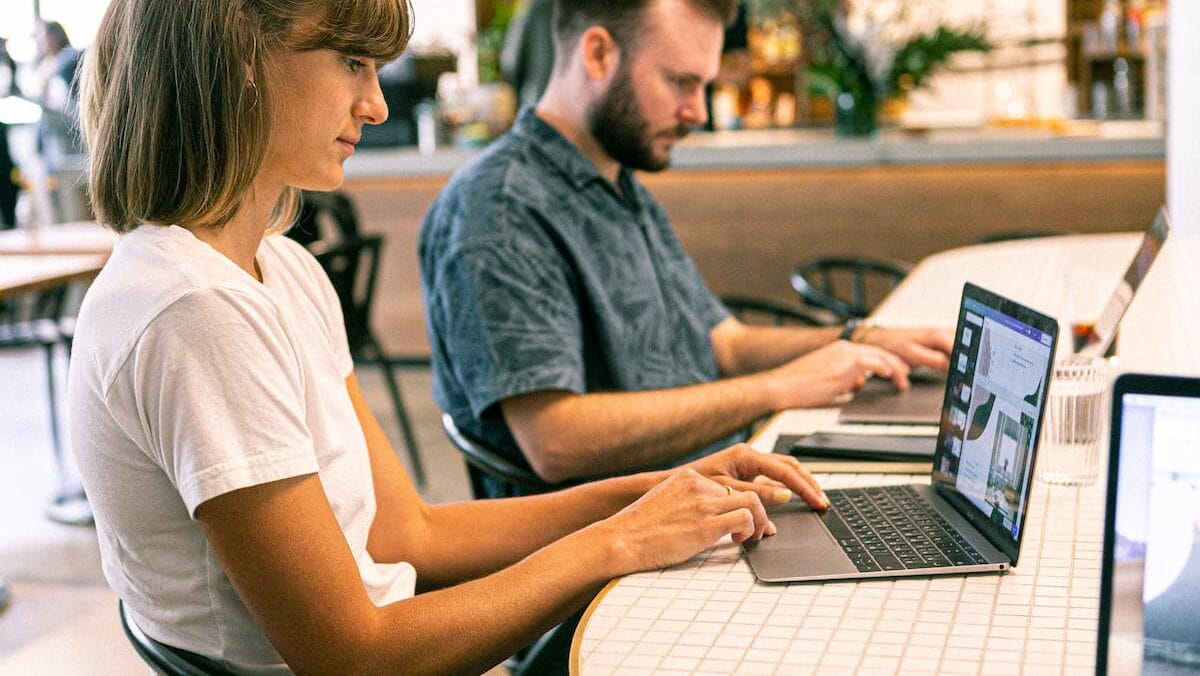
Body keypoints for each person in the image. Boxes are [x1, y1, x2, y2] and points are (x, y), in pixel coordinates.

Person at [68, 0, 829, 673]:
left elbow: (413, 535)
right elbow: (353, 655)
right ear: (241, 61)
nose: (374, 105)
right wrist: (617, 542)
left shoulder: (281, 267)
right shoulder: (192, 309)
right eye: (353, 63)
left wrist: (666, 488)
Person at [419, 0, 953, 495]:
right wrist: (776, 389)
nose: (698, 112)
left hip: (715, 486)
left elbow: (725, 344)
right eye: (680, 83)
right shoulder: (501, 210)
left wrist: (860, 339)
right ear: (599, 54)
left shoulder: (619, 186)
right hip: (613, 553)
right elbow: (556, 441)